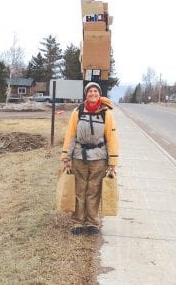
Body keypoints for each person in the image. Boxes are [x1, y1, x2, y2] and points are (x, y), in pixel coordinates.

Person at [61, 82, 119, 236]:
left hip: (99, 158)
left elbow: (111, 138)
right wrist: (66, 156)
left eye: (95, 91)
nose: (93, 93)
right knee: (79, 190)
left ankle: (92, 222)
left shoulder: (106, 113)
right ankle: (77, 222)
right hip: (79, 157)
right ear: (86, 94)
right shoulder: (77, 112)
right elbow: (70, 135)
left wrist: (112, 162)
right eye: (90, 91)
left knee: (94, 190)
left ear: (99, 94)